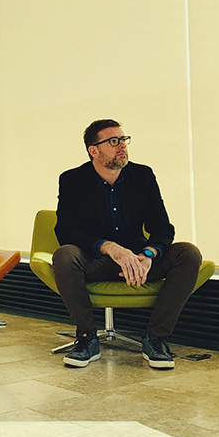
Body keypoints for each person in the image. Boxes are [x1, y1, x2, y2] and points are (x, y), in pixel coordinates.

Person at [52, 119, 203, 370]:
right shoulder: (72, 179)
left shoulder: (143, 175)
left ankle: (156, 339)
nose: (122, 145)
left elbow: (163, 227)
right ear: (94, 150)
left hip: (138, 262)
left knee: (188, 253)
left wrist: (148, 254)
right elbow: (66, 230)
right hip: (97, 262)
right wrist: (108, 247)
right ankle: (87, 338)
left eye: (123, 139)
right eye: (113, 141)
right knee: (65, 255)